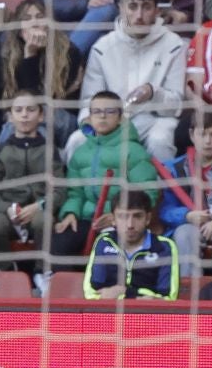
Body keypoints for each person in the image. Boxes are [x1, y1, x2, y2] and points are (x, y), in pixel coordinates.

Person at [78, 0, 187, 164]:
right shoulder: (102, 47)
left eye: (146, 7)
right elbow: (88, 101)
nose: (139, 15)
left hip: (155, 120)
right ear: (121, 9)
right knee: (77, 141)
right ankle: (83, 192)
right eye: (132, 7)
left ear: (157, 11)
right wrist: (90, 122)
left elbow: (176, 106)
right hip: (112, 119)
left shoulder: (174, 45)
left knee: (160, 140)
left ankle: (162, 192)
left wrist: (153, 92)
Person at [52, 89, 160, 269]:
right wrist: (71, 213)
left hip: (123, 222)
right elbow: (75, 192)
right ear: (89, 118)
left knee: (108, 252)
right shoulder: (81, 153)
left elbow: (147, 194)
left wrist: (115, 217)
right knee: (61, 241)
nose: (102, 117)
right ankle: (59, 288)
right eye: (96, 112)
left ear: (120, 117)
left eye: (109, 112)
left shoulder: (134, 151)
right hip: (88, 218)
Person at [0, 0, 82, 154]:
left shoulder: (69, 52)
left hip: (60, 118)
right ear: (19, 28)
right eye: (27, 19)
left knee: (24, 120)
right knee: (31, 131)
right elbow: (9, 99)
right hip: (26, 120)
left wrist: (31, 55)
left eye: (40, 17)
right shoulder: (6, 56)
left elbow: (41, 101)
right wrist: (28, 55)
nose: (35, 23)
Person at [0, 95, 62, 272]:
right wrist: (6, 208)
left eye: (30, 110)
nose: (24, 115)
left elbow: (60, 190)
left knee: (44, 222)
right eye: (18, 110)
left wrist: (39, 206)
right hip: (8, 212)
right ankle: (6, 270)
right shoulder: (1, 150)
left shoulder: (49, 151)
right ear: (10, 116)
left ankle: (43, 272)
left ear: (41, 116)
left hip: (38, 210)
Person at [160, 109, 212, 276]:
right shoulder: (174, 168)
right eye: (202, 134)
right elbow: (165, 209)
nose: (207, 141)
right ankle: (189, 289)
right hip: (191, 225)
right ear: (192, 135)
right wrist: (187, 216)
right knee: (185, 233)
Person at [83, 189, 180, 299]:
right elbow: (91, 292)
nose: (130, 225)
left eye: (137, 216)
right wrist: (140, 297)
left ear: (148, 218)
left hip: (147, 315)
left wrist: (126, 292)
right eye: (123, 216)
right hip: (108, 313)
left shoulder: (164, 247)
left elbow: (168, 298)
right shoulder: (104, 242)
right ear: (113, 219)